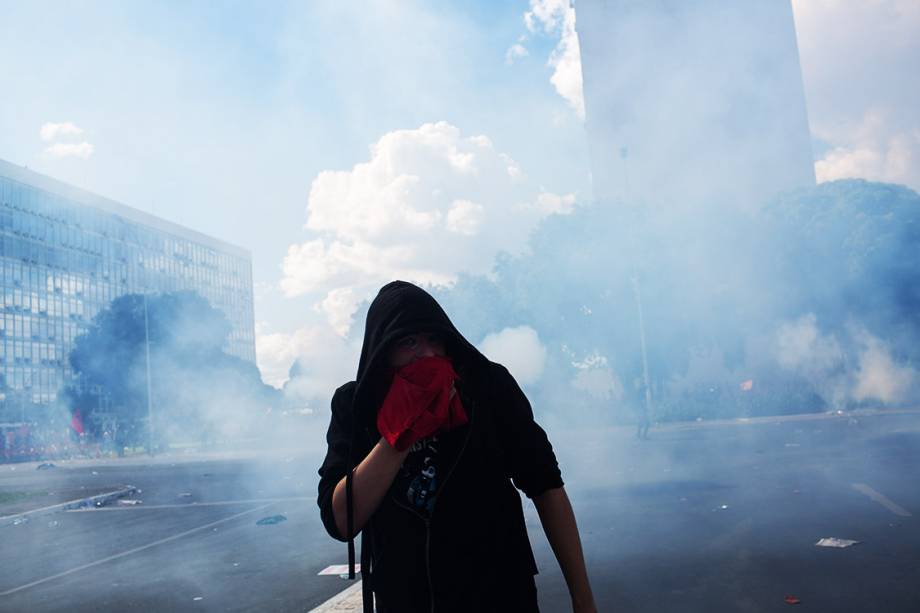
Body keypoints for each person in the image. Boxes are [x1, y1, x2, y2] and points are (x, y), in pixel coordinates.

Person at [317, 281, 597, 612]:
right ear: (382, 350)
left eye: (434, 339)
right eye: (409, 342)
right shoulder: (357, 405)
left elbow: (546, 486)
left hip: (497, 593)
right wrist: (399, 435)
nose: (427, 354)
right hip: (407, 599)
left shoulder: (487, 387)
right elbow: (342, 522)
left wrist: (583, 598)